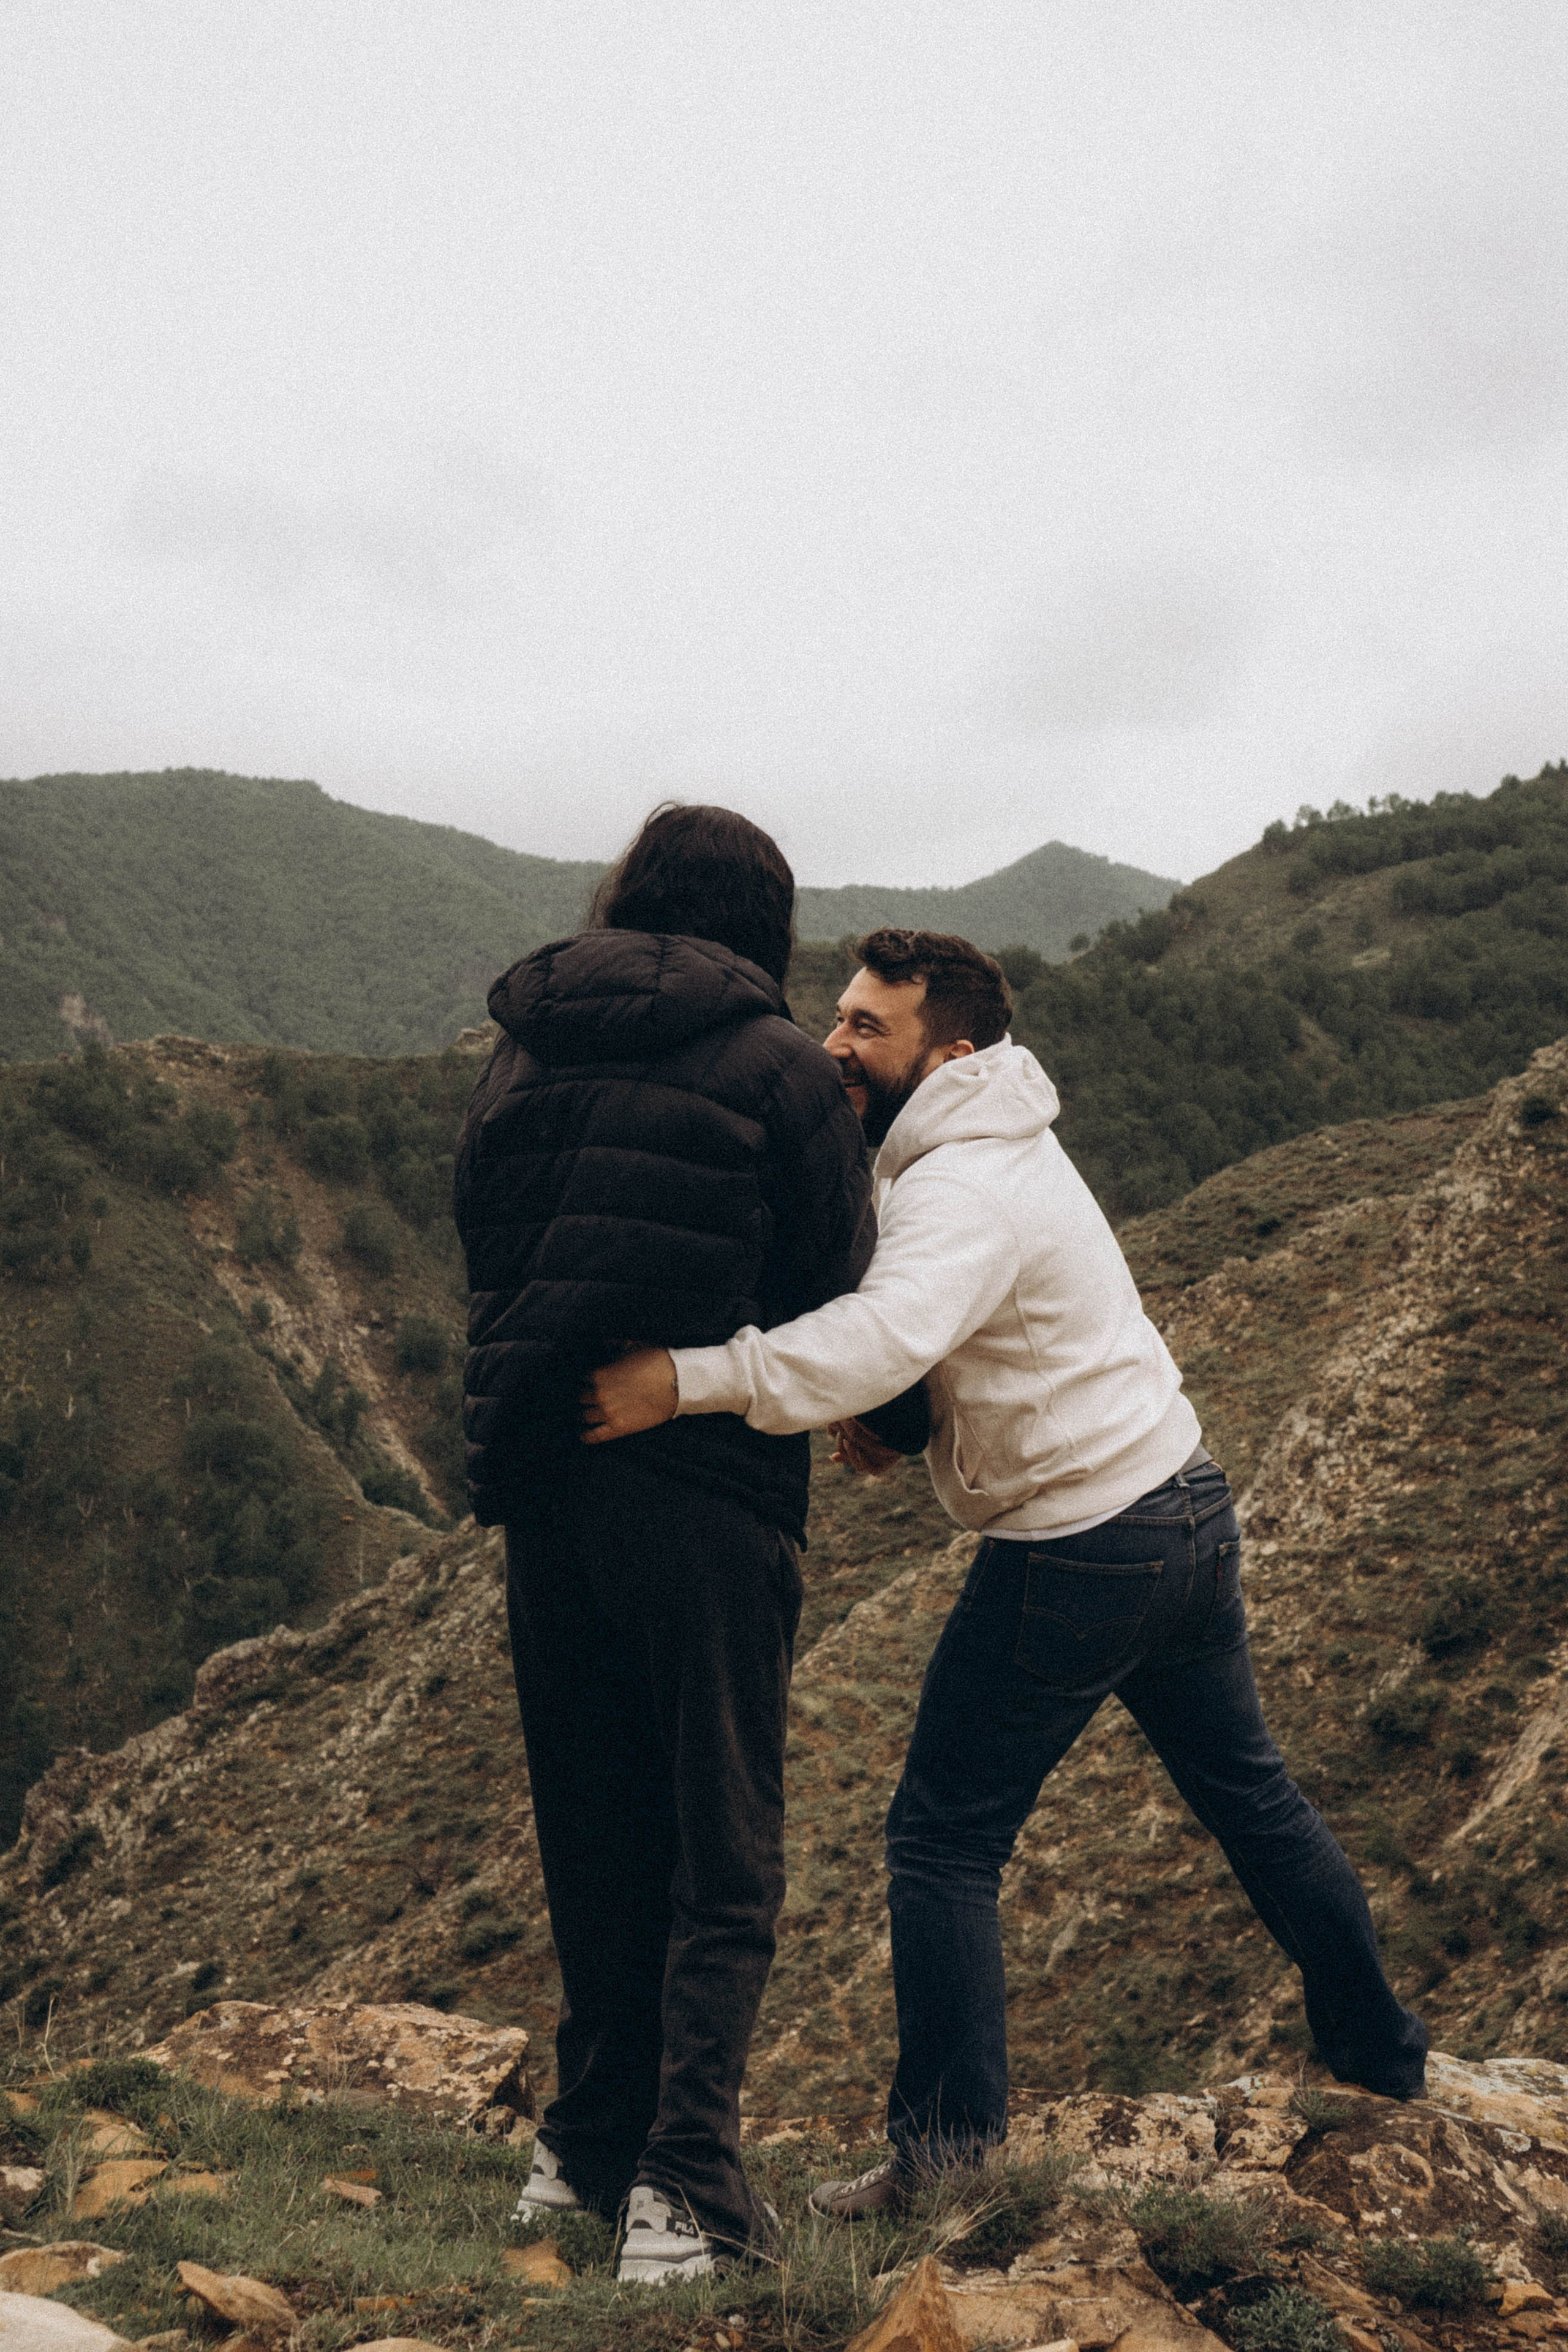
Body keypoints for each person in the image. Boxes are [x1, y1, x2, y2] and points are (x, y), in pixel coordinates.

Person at [581, 925, 1429, 2215]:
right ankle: (1383, 2058)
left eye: (868, 1028)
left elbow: (883, 1334)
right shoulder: (996, 1138)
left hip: (1082, 1546)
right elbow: (967, 1332)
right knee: (1252, 1799)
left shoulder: (960, 1183)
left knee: (940, 1839)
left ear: (950, 1053)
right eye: (839, 1015)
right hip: (1182, 1503)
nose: (833, 1044)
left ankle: (944, 2162)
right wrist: (912, 1410)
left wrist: (683, 1381)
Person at [453, 805, 886, 2282]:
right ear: (764, 922)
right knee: (721, 1849)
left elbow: (483, 1235)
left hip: (548, 1483)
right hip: (708, 1493)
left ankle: (581, 2154)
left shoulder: (521, 1047)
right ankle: (686, 2189)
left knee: (594, 1829)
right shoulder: (780, 1069)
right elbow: (835, 1289)